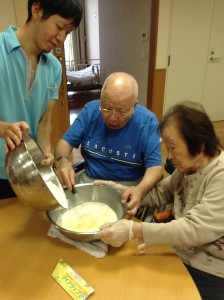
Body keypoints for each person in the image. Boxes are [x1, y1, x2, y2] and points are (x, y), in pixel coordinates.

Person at [94, 101, 224, 300]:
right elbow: (160, 193)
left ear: (199, 145)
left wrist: (135, 230)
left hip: (211, 269)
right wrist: (123, 191)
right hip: (180, 252)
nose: (169, 157)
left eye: (172, 148)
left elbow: (193, 229)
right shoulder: (189, 168)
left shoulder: (219, 176)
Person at [0, 0, 83, 199]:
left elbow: (45, 122)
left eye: (68, 33)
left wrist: (46, 151)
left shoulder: (54, 67)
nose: (62, 38)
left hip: (29, 173)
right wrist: (3, 129)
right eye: (60, 27)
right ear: (36, 10)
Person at [54, 72, 163, 216]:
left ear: (134, 106)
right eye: (106, 108)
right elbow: (64, 143)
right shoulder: (90, 111)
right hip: (92, 182)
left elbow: (155, 168)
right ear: (100, 99)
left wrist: (140, 190)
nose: (112, 118)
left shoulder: (147, 122)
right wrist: (62, 160)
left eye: (122, 112)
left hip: (128, 188)